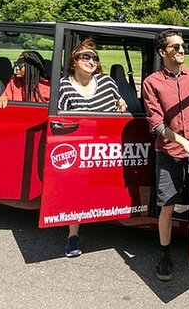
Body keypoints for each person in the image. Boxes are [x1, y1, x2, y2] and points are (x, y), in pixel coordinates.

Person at [142, 29, 189, 282]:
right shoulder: (152, 82)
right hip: (169, 153)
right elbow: (156, 123)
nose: (181, 50)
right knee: (167, 204)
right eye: (175, 46)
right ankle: (165, 255)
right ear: (162, 52)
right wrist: (182, 142)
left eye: (182, 45)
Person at [57, 39, 128, 257]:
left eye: (94, 58)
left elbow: (120, 104)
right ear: (74, 62)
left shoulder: (107, 83)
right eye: (85, 57)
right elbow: (58, 118)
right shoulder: (63, 86)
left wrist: (122, 105)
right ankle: (72, 236)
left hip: (106, 145)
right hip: (79, 147)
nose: (91, 61)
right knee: (75, 187)